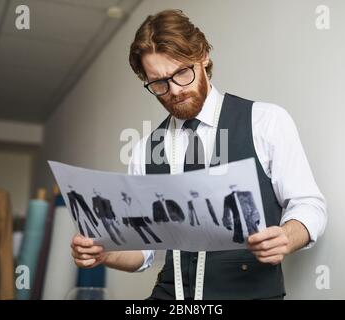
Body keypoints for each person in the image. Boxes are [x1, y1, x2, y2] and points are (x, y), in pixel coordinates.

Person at [71, 9, 327, 299]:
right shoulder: (144, 149)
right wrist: (105, 253)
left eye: (182, 73)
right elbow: (144, 250)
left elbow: (309, 205)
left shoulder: (266, 121)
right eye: (159, 83)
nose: (175, 91)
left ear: (203, 56)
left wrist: (287, 236)